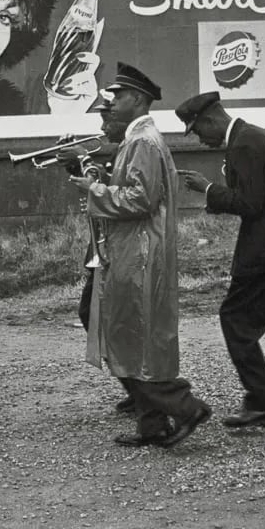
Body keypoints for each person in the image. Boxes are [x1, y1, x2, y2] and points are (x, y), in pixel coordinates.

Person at [71, 63, 211, 449]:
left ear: (136, 100)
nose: (109, 106)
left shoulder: (142, 142)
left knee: (133, 334)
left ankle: (185, 406)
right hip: (136, 249)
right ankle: (153, 425)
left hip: (139, 253)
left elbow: (140, 199)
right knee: (135, 335)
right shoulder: (140, 139)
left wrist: (93, 191)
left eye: (115, 98)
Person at [176, 93, 265, 431]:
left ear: (211, 121)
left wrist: (208, 189)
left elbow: (250, 204)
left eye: (198, 131)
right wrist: (219, 196)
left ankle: (262, 400)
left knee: (235, 319)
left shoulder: (243, 144)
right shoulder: (253, 134)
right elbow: (261, 195)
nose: (200, 139)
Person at [57, 93, 135, 414]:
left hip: (118, 249)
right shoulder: (124, 150)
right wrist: (77, 165)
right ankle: (138, 385)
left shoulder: (136, 149)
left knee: (108, 319)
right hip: (103, 246)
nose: (102, 127)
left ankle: (150, 389)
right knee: (96, 316)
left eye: (107, 119)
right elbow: (103, 182)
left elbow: (126, 194)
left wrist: (86, 165)